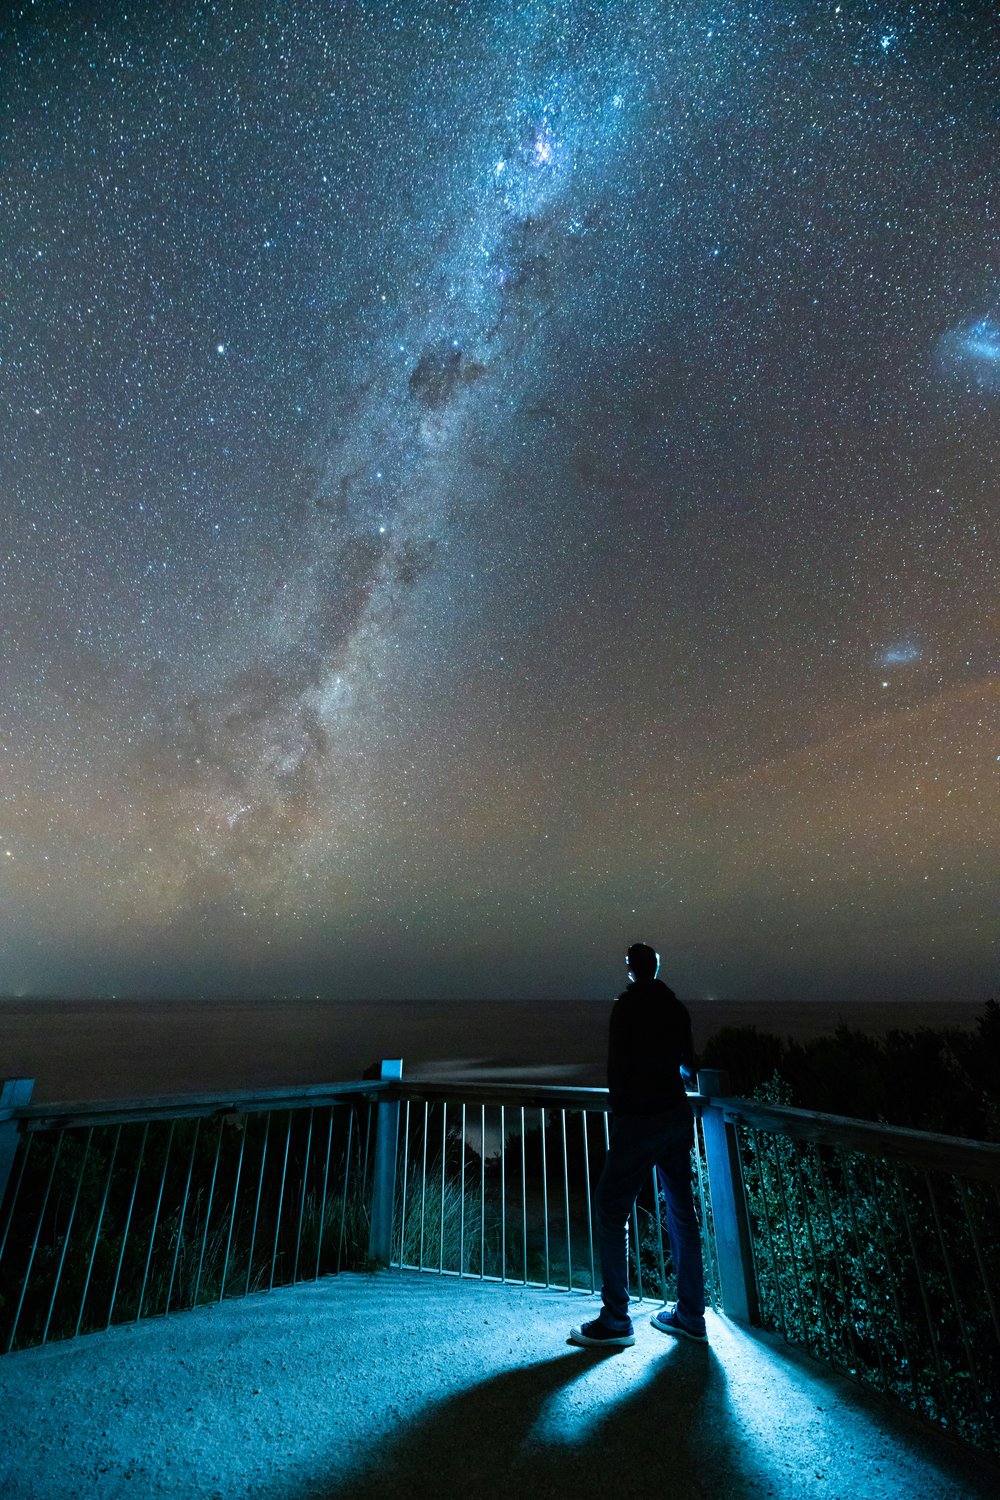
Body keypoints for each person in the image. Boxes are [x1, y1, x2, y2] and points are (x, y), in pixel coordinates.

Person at [569, 942, 707, 1348]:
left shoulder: (626, 1007)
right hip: (675, 1117)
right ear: (657, 968)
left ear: (631, 969)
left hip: (639, 1120)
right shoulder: (675, 1008)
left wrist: (623, 1107)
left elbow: (618, 1068)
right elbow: (688, 1067)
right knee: (683, 1213)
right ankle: (691, 1315)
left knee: (612, 1211)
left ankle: (616, 1318)